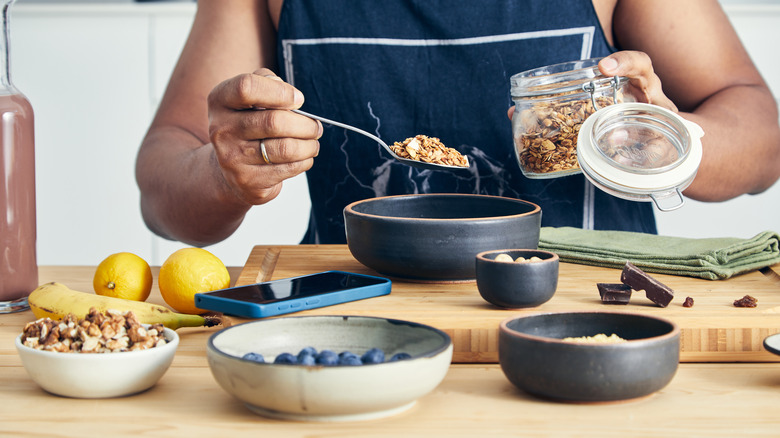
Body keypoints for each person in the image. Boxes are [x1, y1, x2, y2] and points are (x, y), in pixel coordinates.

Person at [136, 0, 780, 247]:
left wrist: (667, 143)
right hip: (357, 319)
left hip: (587, 323)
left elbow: (761, 132)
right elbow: (165, 182)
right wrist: (221, 175)